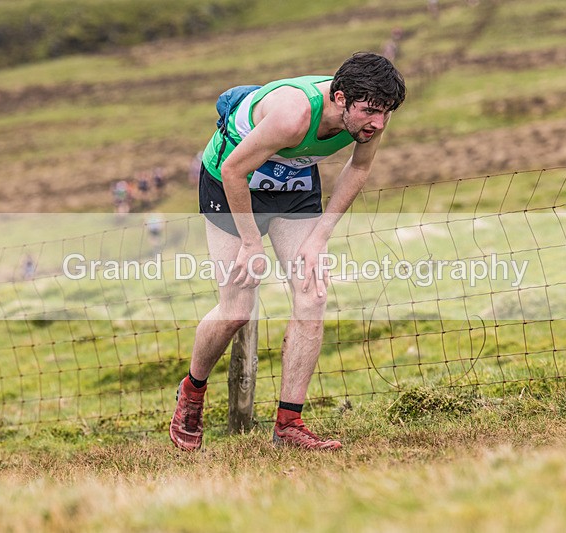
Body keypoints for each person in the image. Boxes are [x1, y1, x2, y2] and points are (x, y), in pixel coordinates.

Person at [169, 52, 406, 451]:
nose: (377, 124)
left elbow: (359, 168)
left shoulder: (370, 113)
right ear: (341, 98)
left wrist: (319, 237)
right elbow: (233, 171)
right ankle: (191, 393)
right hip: (231, 181)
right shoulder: (294, 115)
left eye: (384, 114)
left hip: (292, 186)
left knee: (312, 293)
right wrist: (250, 242)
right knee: (236, 311)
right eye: (369, 112)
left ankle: (288, 425)